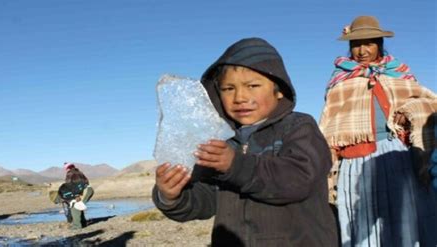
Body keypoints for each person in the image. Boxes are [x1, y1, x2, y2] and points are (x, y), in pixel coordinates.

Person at [152, 38, 338, 246]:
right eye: (228, 88)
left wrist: (236, 165)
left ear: (279, 91)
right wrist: (172, 196)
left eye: (253, 85)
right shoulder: (221, 142)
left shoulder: (298, 127)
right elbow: (207, 199)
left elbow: (299, 180)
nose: (240, 96)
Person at [319, 15, 437, 246]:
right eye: (356, 44)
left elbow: (430, 102)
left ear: (380, 44)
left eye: (369, 43)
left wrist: (411, 109)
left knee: (407, 215)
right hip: (356, 160)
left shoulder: (399, 74)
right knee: (363, 218)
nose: (362, 50)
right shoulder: (341, 79)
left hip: (397, 155)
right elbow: (331, 120)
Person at [62, 162, 94, 230]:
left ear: (67, 169)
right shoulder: (79, 172)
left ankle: (77, 226)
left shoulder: (70, 173)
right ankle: (83, 223)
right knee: (79, 205)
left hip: (84, 191)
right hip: (89, 190)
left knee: (75, 206)